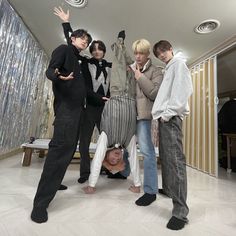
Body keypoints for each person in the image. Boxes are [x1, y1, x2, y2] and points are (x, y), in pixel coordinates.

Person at [31, 28, 92, 224]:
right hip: (66, 111)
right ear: (72, 38)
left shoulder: (78, 60)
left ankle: (55, 183)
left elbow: (83, 89)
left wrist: (100, 98)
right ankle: (40, 204)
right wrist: (58, 77)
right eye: (82, 38)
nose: (85, 42)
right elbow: (50, 70)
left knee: (67, 152)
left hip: (78, 112)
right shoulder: (64, 49)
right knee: (58, 154)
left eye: (87, 41)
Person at [54, 7, 112, 183]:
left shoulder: (111, 65)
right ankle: (85, 173)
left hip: (107, 109)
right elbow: (72, 44)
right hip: (89, 107)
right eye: (93, 48)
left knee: (109, 141)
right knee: (84, 142)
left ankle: (107, 168)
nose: (96, 51)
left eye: (99, 49)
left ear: (104, 51)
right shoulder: (84, 61)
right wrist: (66, 23)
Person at [83, 32, 141, 194]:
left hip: (115, 93)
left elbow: (96, 159)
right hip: (130, 97)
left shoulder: (105, 137)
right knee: (132, 67)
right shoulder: (128, 139)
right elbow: (135, 160)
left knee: (118, 63)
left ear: (106, 156)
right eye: (118, 160)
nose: (115, 158)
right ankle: (120, 45)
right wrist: (137, 185)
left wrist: (91, 185)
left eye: (111, 160)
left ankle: (119, 43)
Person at [152, 40, 193, 230]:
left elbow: (183, 91)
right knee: (167, 158)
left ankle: (180, 212)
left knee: (175, 160)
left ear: (170, 49)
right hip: (164, 118)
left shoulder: (179, 64)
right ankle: (169, 190)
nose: (161, 55)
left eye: (163, 51)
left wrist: (167, 114)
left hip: (170, 118)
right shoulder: (169, 68)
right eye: (158, 53)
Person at [130, 39, 163, 206]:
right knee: (122, 146)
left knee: (147, 152)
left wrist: (140, 76)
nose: (137, 56)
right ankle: (123, 174)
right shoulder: (131, 68)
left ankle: (150, 191)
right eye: (135, 53)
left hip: (143, 116)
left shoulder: (156, 70)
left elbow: (155, 93)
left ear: (147, 54)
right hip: (129, 115)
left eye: (141, 53)